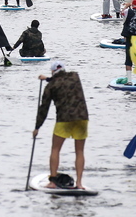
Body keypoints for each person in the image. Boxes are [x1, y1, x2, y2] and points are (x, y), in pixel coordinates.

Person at [33, 61, 88, 190]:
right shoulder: (75, 76)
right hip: (82, 118)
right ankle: (79, 183)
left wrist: (37, 127)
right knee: (79, 151)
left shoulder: (50, 87)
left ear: (52, 72)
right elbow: (61, 79)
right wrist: (47, 78)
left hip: (64, 119)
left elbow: (43, 109)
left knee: (55, 149)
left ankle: (52, 182)